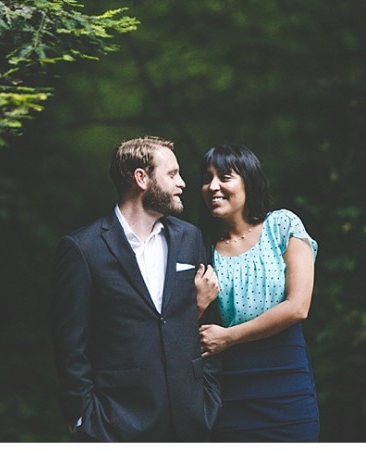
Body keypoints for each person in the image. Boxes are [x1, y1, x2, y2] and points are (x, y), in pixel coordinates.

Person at [51, 136, 221, 442]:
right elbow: (70, 343)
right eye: (171, 174)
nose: (181, 183)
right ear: (140, 178)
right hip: (117, 421)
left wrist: (208, 395)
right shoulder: (82, 248)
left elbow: (206, 324)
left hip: (191, 417)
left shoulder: (190, 238)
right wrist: (80, 416)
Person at [196, 143, 320, 441]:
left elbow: (298, 306)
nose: (213, 186)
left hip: (286, 377)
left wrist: (229, 336)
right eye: (207, 178)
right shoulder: (201, 244)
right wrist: (199, 306)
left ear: (248, 181)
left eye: (225, 177)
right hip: (230, 385)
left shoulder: (282, 225)